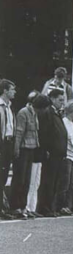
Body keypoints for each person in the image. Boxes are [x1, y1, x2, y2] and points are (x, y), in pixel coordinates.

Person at [8, 91, 42, 219]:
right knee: (19, 179)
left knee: (27, 180)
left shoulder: (34, 113)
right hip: (23, 149)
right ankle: (15, 207)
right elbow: (19, 132)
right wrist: (16, 149)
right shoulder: (24, 113)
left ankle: (23, 207)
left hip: (31, 148)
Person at [37, 88, 68, 217]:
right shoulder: (48, 112)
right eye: (60, 100)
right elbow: (45, 132)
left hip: (58, 153)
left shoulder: (56, 113)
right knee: (48, 181)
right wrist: (47, 149)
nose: (62, 103)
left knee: (55, 181)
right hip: (52, 153)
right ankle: (45, 207)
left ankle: (50, 206)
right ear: (53, 99)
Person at [56, 101, 73, 216]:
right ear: (70, 112)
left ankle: (66, 205)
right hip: (67, 157)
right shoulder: (65, 122)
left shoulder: (72, 123)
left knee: (71, 183)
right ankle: (61, 206)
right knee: (65, 183)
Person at [0, 79, 16, 218]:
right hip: (2, 143)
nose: (14, 92)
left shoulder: (9, 107)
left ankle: (2, 208)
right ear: (5, 90)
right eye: (12, 89)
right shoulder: (0, 107)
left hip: (9, 143)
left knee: (4, 176)